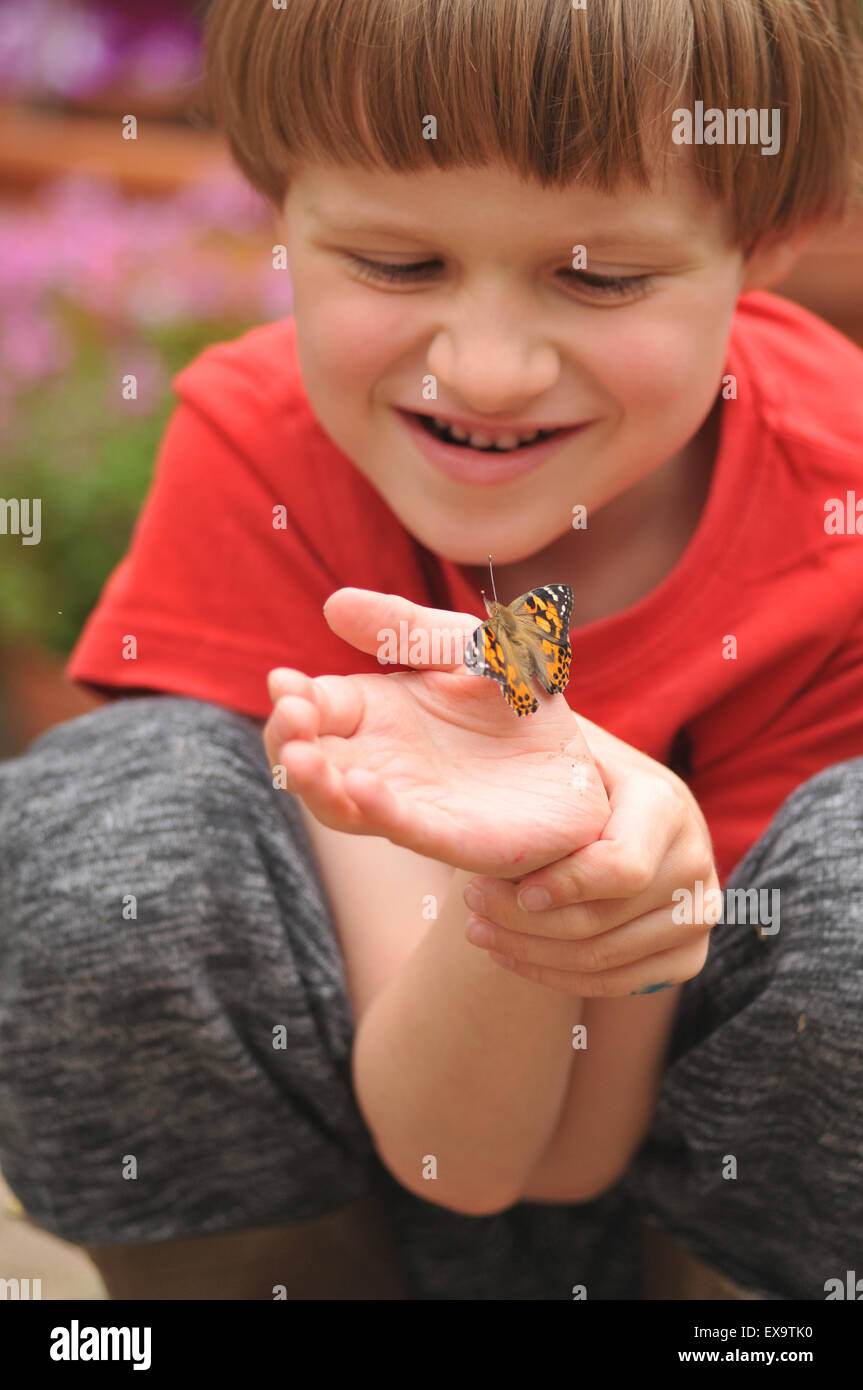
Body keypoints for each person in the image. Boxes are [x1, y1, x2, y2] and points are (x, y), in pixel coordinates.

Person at [1, 0, 862, 1300]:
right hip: (375, 1166)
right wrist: (519, 890)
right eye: (399, 266)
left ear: (769, 239)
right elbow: (462, 1153)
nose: (490, 369)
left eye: (599, 276)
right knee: (110, 815)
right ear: (276, 204)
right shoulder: (266, 454)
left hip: (716, 1211)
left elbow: (583, 1158)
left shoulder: (837, 515)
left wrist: (602, 877)